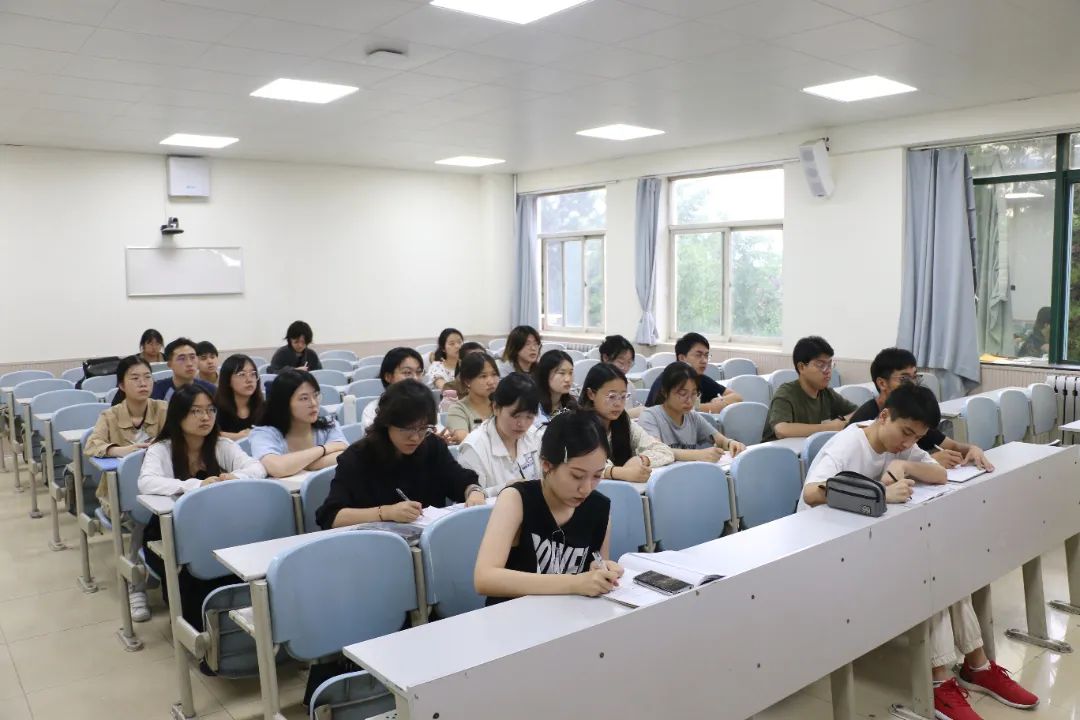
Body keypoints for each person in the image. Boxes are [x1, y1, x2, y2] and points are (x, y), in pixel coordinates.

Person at [800, 384, 1038, 719]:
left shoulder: (903, 444)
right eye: (905, 433)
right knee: (928, 575)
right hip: (827, 552)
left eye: (917, 437)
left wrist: (906, 466)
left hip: (867, 543)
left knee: (946, 569)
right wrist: (878, 491)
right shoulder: (848, 444)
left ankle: (977, 666)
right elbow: (811, 493)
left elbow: (939, 473)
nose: (908, 443)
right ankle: (942, 682)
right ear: (884, 416)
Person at [137, 385, 267, 631]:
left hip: (217, 528)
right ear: (178, 415)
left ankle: (236, 627)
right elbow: (147, 482)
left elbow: (257, 468)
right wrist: (196, 485)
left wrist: (235, 477)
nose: (205, 417)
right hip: (170, 532)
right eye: (196, 411)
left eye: (210, 410)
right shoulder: (161, 449)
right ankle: (197, 632)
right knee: (193, 572)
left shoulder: (221, 445)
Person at [474, 408, 622, 606]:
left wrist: (602, 573)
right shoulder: (517, 499)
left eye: (597, 476)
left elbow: (596, 568)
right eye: (577, 476)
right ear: (547, 465)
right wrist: (574, 583)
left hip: (569, 616)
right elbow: (484, 578)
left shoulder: (598, 507)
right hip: (513, 616)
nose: (586, 488)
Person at [315, 380, 486, 530]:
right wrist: (385, 512)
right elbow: (331, 516)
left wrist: (474, 492)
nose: (416, 438)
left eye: (423, 429)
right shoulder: (357, 457)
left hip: (428, 541)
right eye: (407, 429)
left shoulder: (432, 445)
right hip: (374, 544)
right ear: (387, 423)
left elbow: (461, 480)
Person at [84, 355, 168, 623]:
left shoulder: (163, 409)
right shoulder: (110, 416)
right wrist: (122, 451)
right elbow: (92, 446)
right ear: (121, 385)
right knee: (142, 519)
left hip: (160, 490)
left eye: (147, 377)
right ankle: (136, 587)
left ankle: (162, 572)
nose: (143, 383)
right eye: (135, 378)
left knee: (162, 515)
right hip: (119, 497)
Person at [847, 348, 993, 471]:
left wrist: (973, 449)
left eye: (915, 377)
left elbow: (952, 446)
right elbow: (872, 471)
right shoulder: (865, 420)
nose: (912, 384)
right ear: (882, 383)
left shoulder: (913, 415)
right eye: (904, 379)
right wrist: (929, 462)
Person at [579, 363, 673, 482]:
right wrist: (620, 472)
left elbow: (664, 451)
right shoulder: (578, 424)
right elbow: (583, 462)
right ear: (591, 394)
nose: (618, 404)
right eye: (612, 396)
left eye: (623, 396)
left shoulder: (624, 422)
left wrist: (642, 459)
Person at [249, 369, 347, 478]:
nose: (313, 403)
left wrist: (302, 464)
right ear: (284, 403)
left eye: (315, 395)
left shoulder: (329, 424)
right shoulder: (264, 434)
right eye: (304, 398)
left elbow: (345, 456)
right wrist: (324, 449)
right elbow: (277, 468)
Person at [637, 362, 745, 461]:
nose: (689, 401)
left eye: (694, 393)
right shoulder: (650, 417)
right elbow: (656, 451)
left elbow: (720, 441)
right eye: (683, 394)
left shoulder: (692, 416)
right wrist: (698, 455)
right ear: (665, 392)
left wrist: (731, 443)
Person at [458, 374, 543, 496]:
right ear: (496, 408)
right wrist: (504, 489)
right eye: (515, 416)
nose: (522, 424)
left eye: (529, 417)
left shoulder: (535, 436)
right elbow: (471, 499)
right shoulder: (474, 448)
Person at [763, 335, 855, 442]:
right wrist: (829, 427)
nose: (828, 371)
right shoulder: (785, 393)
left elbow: (858, 412)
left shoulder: (826, 393)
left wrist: (841, 420)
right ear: (801, 367)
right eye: (821, 365)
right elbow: (781, 430)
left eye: (830, 364)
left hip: (809, 450)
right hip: (778, 451)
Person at [644, 333, 742, 412]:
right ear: (682, 358)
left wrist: (721, 401)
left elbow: (737, 397)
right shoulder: (668, 380)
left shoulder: (700, 378)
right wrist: (712, 406)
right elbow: (677, 411)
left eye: (706, 355)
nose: (704, 361)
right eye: (698, 355)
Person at [360, 347, 425, 431]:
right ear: (388, 377)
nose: (415, 378)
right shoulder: (372, 410)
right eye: (407, 372)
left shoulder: (426, 405)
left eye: (419, 372)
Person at [446, 351, 499, 443]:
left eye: (494, 374)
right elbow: (466, 440)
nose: (491, 382)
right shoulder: (458, 409)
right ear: (467, 381)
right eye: (483, 376)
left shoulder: (503, 405)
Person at [213, 354, 265, 441]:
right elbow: (208, 433)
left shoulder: (263, 407)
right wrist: (238, 436)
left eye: (253, 374)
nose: (249, 380)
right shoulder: (215, 408)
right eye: (242, 374)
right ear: (228, 380)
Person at [151, 337, 216, 402]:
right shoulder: (156, 389)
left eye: (192, 357)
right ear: (170, 364)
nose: (189, 364)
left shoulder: (210, 389)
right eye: (182, 359)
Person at [533, 349, 577, 425]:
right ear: (545, 375)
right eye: (562, 373)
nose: (568, 379)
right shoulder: (532, 404)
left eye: (570, 373)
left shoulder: (571, 405)